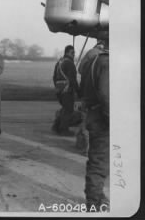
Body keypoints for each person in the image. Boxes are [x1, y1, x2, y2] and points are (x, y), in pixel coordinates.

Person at [80, 40, 109, 211]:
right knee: (99, 161)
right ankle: (94, 202)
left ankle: (96, 195)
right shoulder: (107, 63)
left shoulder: (91, 62)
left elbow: (84, 88)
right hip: (102, 117)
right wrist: (112, 118)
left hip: (92, 114)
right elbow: (106, 95)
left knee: (96, 160)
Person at [52, 45, 82, 136]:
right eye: (72, 53)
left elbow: (54, 77)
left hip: (59, 89)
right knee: (68, 110)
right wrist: (78, 91)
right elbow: (73, 79)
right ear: (67, 52)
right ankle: (63, 130)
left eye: (74, 53)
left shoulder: (59, 62)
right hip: (67, 90)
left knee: (65, 108)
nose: (74, 55)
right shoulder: (69, 63)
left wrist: (57, 87)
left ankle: (56, 126)